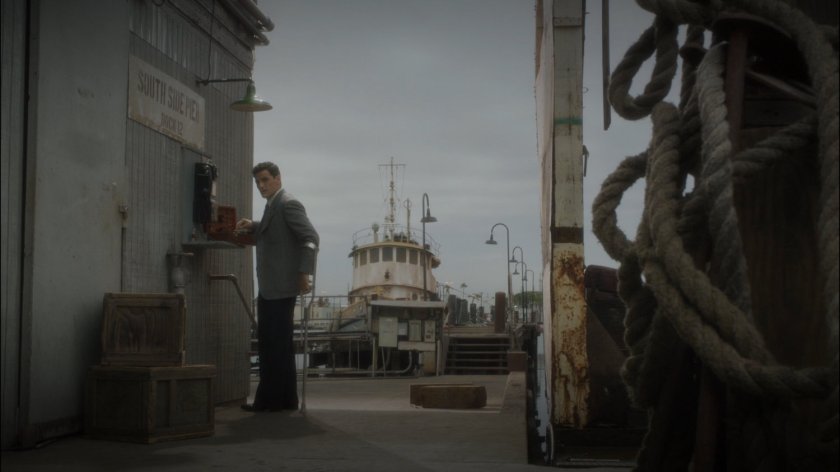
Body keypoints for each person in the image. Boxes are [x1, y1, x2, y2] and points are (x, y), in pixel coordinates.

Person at [235, 162, 319, 412]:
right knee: (280, 345)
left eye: (265, 180)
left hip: (280, 288)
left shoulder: (287, 204)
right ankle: (286, 400)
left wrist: (304, 273)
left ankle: (268, 402)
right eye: (257, 182)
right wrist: (253, 225)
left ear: (277, 179)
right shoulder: (274, 204)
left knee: (272, 345)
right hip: (273, 287)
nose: (261, 186)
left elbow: (310, 238)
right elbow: (275, 228)